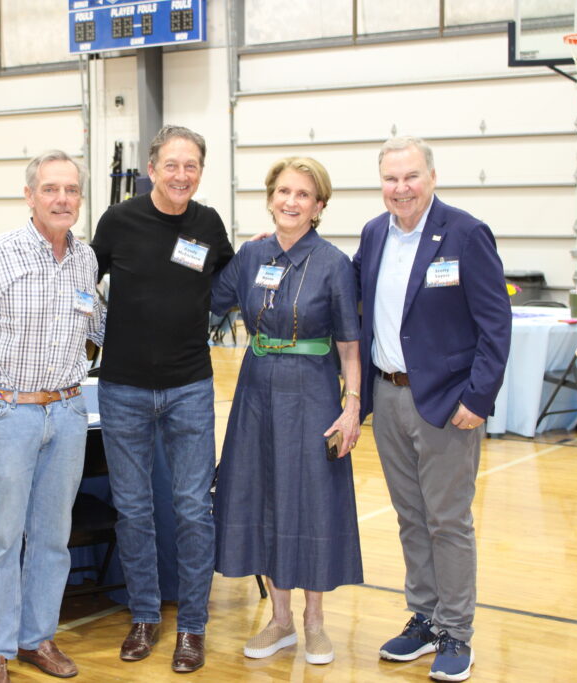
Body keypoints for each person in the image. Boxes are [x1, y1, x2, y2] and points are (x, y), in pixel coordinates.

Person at [0, 151, 104, 683]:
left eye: (71, 190)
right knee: (1, 536)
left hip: (67, 410)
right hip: (5, 413)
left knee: (53, 537)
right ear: (30, 196)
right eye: (51, 189)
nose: (62, 199)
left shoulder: (86, 260)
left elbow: (95, 331)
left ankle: (37, 638)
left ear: (80, 198)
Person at [354, 137, 511, 682]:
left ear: (432, 176)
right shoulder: (374, 234)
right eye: (391, 179)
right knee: (410, 517)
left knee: (448, 521)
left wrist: (478, 397)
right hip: (388, 394)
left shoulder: (465, 233)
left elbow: (496, 323)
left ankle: (456, 632)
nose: (401, 188)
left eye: (410, 177)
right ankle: (423, 616)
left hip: (446, 402)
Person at [91, 125, 234, 673]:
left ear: (200, 171)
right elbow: (81, 281)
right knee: (133, 509)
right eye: (171, 165)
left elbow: (227, 282)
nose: (181, 175)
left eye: (191, 166)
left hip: (190, 386)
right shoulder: (118, 222)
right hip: (123, 387)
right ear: (152, 169)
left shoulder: (208, 224)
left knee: (195, 508)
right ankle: (145, 616)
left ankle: (193, 627)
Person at [212, 157, 363, 665]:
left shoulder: (335, 264)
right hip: (256, 390)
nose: (290, 202)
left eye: (302, 194)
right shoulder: (252, 254)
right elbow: (210, 298)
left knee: (311, 500)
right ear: (270, 196)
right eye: (283, 192)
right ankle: (279, 622)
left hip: (314, 391)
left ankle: (314, 624)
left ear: (319, 205)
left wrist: (352, 407)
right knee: (264, 497)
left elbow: (348, 344)